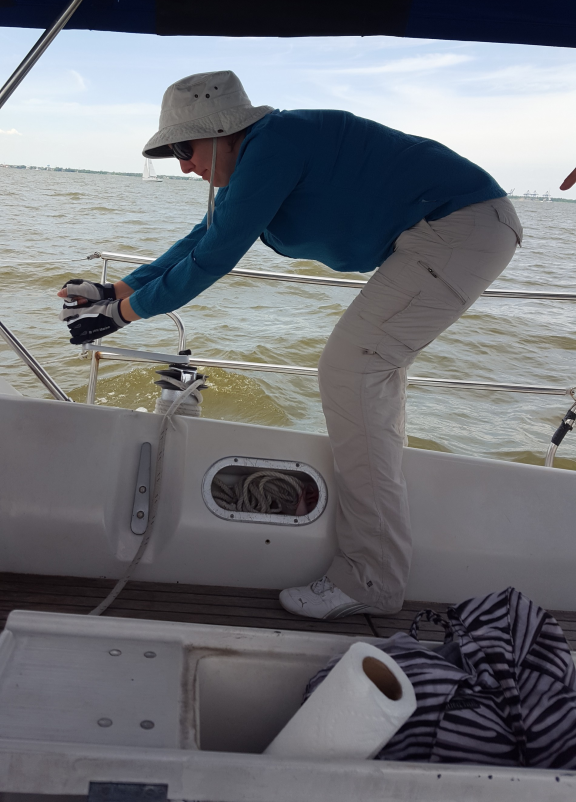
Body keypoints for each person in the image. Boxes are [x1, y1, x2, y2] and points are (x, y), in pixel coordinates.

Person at [58, 70, 523, 620]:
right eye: (172, 156)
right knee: (366, 373)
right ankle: (378, 550)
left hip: (459, 227)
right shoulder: (259, 155)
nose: (182, 165)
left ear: (222, 131)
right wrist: (116, 289)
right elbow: (200, 237)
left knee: (352, 368)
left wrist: (121, 316)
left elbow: (214, 258)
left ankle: (372, 577)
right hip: (456, 228)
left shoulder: (273, 146)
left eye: (184, 148)